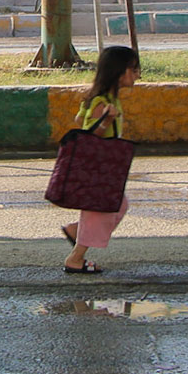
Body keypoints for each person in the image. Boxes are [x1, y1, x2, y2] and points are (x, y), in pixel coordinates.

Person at [60, 45, 141, 274]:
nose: (136, 75)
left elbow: (78, 118)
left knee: (116, 206)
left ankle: (77, 232)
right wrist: (105, 120)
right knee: (102, 210)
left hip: (100, 169)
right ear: (119, 72)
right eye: (133, 70)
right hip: (97, 169)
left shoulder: (102, 98)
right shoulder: (102, 103)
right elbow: (89, 135)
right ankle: (76, 258)